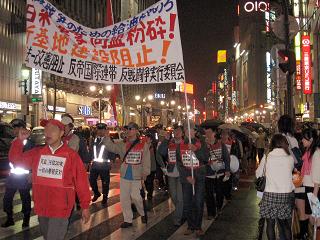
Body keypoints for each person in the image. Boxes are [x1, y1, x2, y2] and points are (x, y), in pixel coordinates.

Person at [8, 119, 91, 240]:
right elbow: (16, 160)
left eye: (52, 130)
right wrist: (19, 141)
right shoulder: (38, 153)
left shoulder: (71, 155)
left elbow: (81, 182)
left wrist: (85, 206)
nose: (48, 133)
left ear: (62, 133)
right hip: (42, 207)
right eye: (46, 129)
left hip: (61, 208)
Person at [102, 122, 150, 228]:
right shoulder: (122, 143)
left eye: (131, 129)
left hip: (137, 175)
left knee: (137, 197)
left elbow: (146, 160)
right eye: (127, 129)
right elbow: (111, 147)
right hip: (124, 175)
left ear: (136, 130)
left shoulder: (143, 144)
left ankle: (142, 213)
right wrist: (106, 137)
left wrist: (145, 173)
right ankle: (128, 219)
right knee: (124, 198)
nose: (128, 131)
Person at [256, 134, 295, 240]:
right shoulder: (290, 158)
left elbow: (258, 174)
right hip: (285, 195)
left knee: (270, 224)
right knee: (285, 224)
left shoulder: (267, 157)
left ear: (272, 144)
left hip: (270, 194)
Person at [177, 121, 209, 237]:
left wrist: (196, 150)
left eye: (191, 129)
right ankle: (190, 225)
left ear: (195, 131)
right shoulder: (180, 145)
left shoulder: (201, 143)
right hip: (187, 177)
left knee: (199, 201)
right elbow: (179, 163)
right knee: (188, 202)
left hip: (199, 176)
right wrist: (187, 176)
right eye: (186, 130)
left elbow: (205, 158)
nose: (188, 132)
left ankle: (198, 226)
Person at [1, 119, 34, 228]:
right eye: (13, 128)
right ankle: (10, 218)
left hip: (24, 176)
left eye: (16, 128)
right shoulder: (14, 140)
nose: (14, 130)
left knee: (25, 198)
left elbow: (30, 159)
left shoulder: (26, 142)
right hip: (13, 175)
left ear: (22, 128)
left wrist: (30, 173)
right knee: (7, 198)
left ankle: (26, 219)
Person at [157, 124, 184, 226]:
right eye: (175, 131)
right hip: (171, 173)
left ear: (182, 133)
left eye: (179, 131)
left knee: (180, 198)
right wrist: (165, 140)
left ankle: (177, 218)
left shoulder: (185, 143)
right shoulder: (169, 143)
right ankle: (181, 210)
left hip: (182, 173)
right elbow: (160, 152)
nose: (176, 133)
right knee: (173, 195)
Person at [295, 128, 320, 240]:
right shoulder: (309, 151)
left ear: (310, 139)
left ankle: (310, 234)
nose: (302, 141)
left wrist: (315, 195)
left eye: (304, 139)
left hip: (312, 188)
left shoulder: (316, 153)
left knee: (314, 217)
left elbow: (317, 176)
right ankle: (304, 233)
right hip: (305, 186)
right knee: (304, 211)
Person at [204, 126, 230, 219]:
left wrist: (227, 170)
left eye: (209, 132)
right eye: (206, 133)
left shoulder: (221, 144)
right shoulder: (204, 145)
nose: (207, 135)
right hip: (208, 173)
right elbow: (202, 158)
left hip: (220, 172)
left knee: (219, 192)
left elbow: (227, 157)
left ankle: (219, 207)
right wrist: (206, 149)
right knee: (209, 193)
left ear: (214, 133)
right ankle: (211, 212)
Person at [89, 123, 114, 205]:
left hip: (105, 165)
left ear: (105, 130)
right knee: (91, 180)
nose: (100, 131)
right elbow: (91, 151)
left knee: (105, 182)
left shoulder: (109, 139)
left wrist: (111, 161)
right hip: (95, 164)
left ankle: (105, 197)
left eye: (102, 129)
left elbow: (112, 151)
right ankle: (96, 193)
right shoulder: (94, 139)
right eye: (99, 129)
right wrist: (90, 161)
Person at [144, 132, 157, 200]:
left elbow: (157, 157)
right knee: (146, 181)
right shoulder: (143, 147)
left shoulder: (154, 147)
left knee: (150, 181)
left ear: (151, 140)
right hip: (145, 167)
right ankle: (148, 191)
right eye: (145, 138)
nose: (146, 139)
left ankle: (150, 194)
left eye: (148, 138)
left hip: (152, 167)